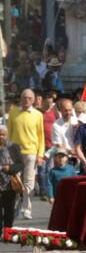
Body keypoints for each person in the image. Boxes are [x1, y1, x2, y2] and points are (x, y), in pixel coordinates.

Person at [7, 89, 44, 219]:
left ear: (33, 100)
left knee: (29, 182)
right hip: (14, 152)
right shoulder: (13, 112)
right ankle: (13, 206)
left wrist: (40, 154)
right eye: (24, 97)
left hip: (31, 152)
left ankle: (26, 209)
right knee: (14, 181)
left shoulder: (38, 115)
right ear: (20, 99)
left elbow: (41, 136)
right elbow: (9, 135)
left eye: (29, 98)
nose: (27, 100)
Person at [0, 126, 23, 229]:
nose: (1, 137)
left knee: (9, 210)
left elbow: (20, 164)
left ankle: (8, 231)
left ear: (7, 135)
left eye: (3, 134)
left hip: (10, 184)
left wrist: (9, 169)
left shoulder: (14, 147)